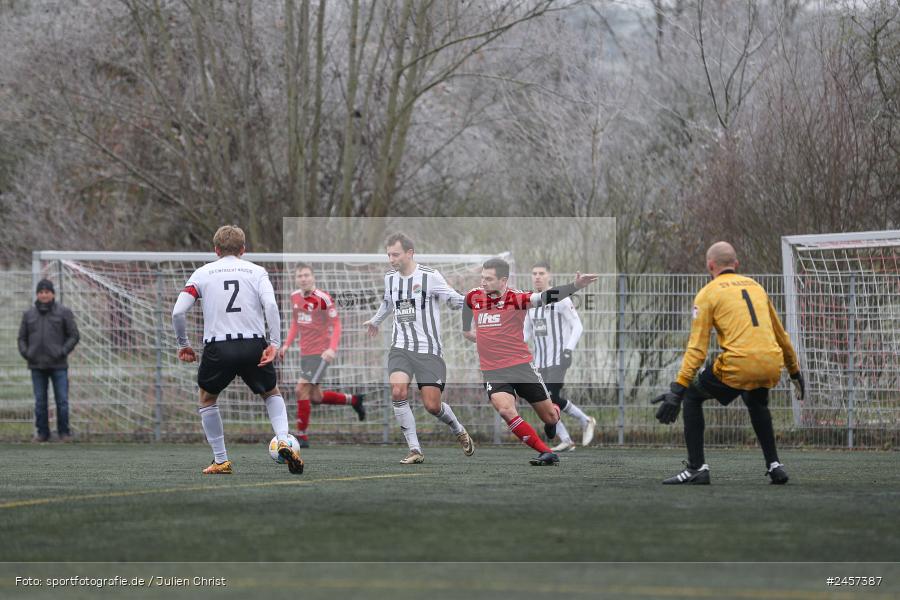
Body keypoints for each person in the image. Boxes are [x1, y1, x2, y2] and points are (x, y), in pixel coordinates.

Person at [652, 241, 804, 485]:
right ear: (736, 264)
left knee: (692, 396)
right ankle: (775, 465)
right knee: (755, 399)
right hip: (770, 363)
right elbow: (781, 336)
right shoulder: (756, 287)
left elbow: (697, 348)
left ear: (710, 265)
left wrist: (678, 388)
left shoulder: (708, 293)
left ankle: (696, 468)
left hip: (739, 364)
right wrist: (795, 372)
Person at [172, 225, 301, 475]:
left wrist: (183, 344)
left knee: (207, 399)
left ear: (216, 250)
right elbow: (271, 305)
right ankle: (283, 439)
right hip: (253, 344)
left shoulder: (202, 273)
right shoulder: (257, 271)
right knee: (271, 393)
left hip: (218, 347)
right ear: (243, 249)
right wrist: (274, 343)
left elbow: (178, 312)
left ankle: (221, 460)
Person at [462, 257, 598, 466]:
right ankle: (546, 452)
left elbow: (546, 297)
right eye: (482, 278)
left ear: (503, 280)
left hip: (521, 368)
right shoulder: (473, 296)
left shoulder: (517, 298)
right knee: (506, 410)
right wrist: (472, 333)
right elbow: (467, 314)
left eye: (488, 279)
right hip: (493, 371)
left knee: (550, 418)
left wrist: (575, 286)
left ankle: (555, 415)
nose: (483, 283)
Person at [364, 232, 475, 464]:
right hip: (400, 347)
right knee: (398, 391)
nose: (391, 259)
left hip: (428, 350)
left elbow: (454, 299)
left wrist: (474, 300)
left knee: (432, 406)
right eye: (388, 255)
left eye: (395, 254)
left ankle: (457, 429)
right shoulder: (390, 278)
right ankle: (414, 449)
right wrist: (375, 321)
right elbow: (388, 302)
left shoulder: (430, 276)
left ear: (409, 253)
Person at [278, 263, 366, 447]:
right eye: (300, 276)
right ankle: (354, 400)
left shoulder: (324, 298)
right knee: (316, 397)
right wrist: (286, 345)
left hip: (320, 354)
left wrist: (331, 348)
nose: (303, 278)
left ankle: (301, 436)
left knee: (300, 389)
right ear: (296, 279)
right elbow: (295, 323)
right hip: (305, 353)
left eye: (306, 275)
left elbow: (337, 324)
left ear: (313, 277)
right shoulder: (294, 297)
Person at [524, 261, 596, 452]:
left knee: (551, 398)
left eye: (541, 273)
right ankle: (567, 439)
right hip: (539, 362)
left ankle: (585, 421)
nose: (537, 276)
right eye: (534, 273)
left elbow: (577, 325)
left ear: (549, 276)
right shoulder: (530, 302)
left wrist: (568, 350)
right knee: (544, 401)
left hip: (558, 359)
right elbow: (526, 332)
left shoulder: (559, 297)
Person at [18, 279, 80, 442]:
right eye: (41, 292)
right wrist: (27, 353)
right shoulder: (28, 314)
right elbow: (21, 338)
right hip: (36, 365)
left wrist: (63, 351)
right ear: (37, 294)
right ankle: (42, 433)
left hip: (58, 365)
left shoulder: (64, 312)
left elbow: (74, 335)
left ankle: (64, 433)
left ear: (53, 294)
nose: (44, 295)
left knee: (62, 401)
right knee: (40, 402)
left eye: (47, 292)